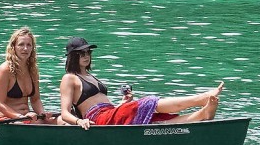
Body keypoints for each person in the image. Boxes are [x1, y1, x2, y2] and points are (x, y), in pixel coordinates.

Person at [58, 37, 223, 129]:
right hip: (97, 119)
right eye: (81, 53)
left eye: (88, 52)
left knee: (154, 119)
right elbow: (65, 113)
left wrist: (122, 104)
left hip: (110, 114)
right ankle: (201, 99)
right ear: (73, 56)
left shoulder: (91, 76)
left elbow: (105, 106)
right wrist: (80, 121)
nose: (86, 56)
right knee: (148, 102)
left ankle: (201, 115)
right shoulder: (69, 78)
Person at [0, 27, 54, 124]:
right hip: (7, 118)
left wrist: (42, 113)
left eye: (29, 45)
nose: (25, 48)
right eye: (21, 45)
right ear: (13, 47)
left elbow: (35, 100)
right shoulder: (5, 69)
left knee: (58, 121)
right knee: (30, 124)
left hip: (26, 117)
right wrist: (19, 117)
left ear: (32, 48)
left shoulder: (33, 70)